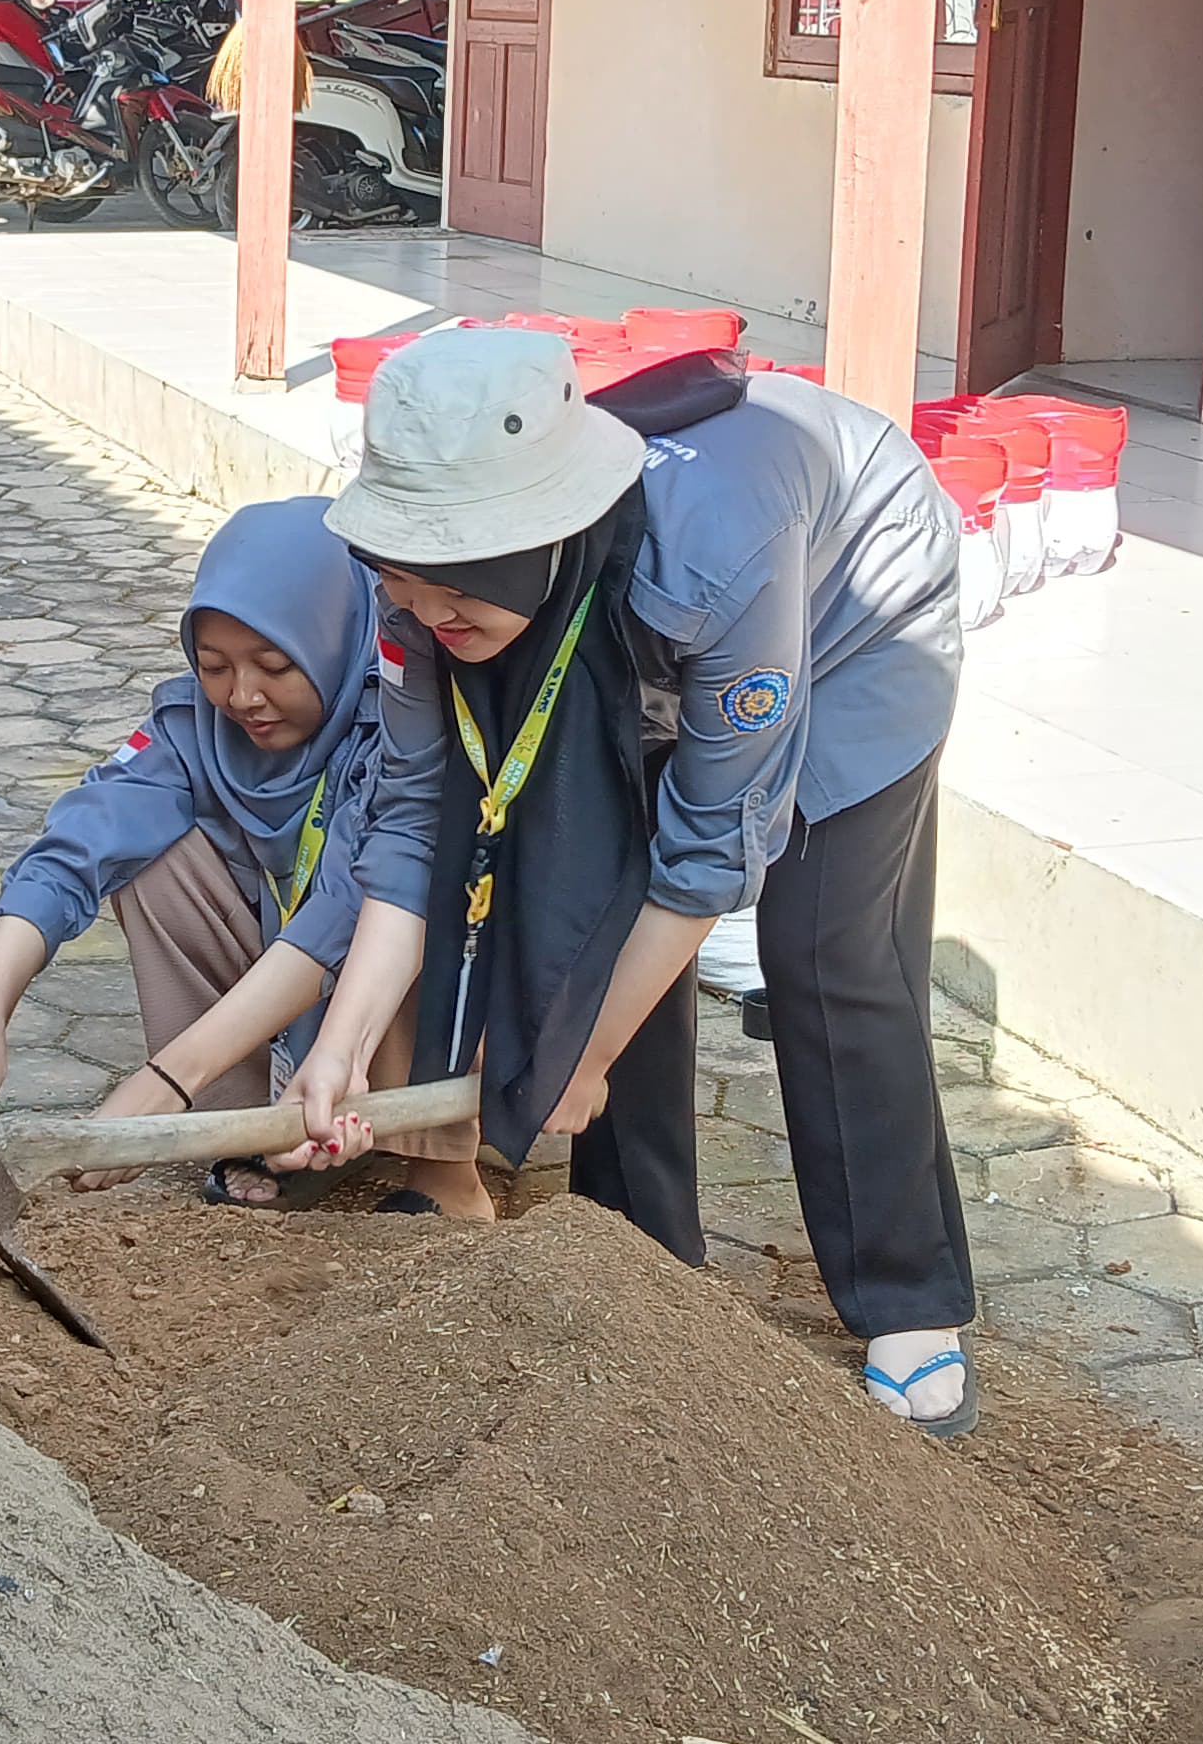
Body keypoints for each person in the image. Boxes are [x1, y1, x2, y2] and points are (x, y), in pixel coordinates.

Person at [281, 327, 984, 1434]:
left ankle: (907, 1298)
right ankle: (645, 1258)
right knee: (587, 895)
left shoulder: (720, 551)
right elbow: (414, 825)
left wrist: (583, 1057)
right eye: (409, 592)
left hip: (853, 611)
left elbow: (706, 853)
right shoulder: (418, 599)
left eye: (453, 594)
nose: (428, 616)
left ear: (536, 536)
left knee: (823, 951)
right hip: (622, 625)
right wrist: (338, 1048)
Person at [0, 498, 477, 1211]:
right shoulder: (195, 725)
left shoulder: (398, 725)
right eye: (215, 666)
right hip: (288, 976)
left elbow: (343, 912)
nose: (244, 696)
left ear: (334, 636)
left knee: (408, 907)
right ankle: (246, 1124)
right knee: (156, 867)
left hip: (379, 982)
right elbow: (72, 852)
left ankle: (435, 1168)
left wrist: (160, 1084)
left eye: (275, 666)